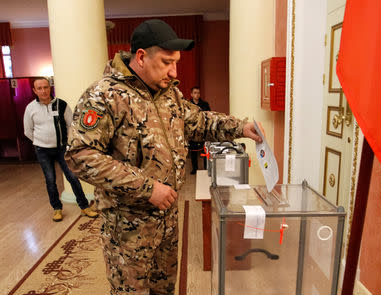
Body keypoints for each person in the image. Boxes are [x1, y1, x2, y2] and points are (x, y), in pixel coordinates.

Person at [65, 19, 263, 295]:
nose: (174, 70)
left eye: (177, 62)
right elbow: (80, 155)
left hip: (167, 216)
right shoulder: (104, 95)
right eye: (167, 62)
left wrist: (240, 127)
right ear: (141, 57)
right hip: (127, 224)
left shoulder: (168, 94)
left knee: (164, 288)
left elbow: (199, 122)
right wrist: (147, 189)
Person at [23, 77, 99, 222]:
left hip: (62, 149)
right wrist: (39, 142)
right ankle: (57, 209)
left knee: (73, 178)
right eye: (39, 88)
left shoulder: (61, 104)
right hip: (43, 151)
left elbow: (71, 125)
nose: (43, 91)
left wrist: (69, 144)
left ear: (50, 87)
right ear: (34, 90)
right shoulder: (30, 108)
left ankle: (84, 206)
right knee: (50, 180)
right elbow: (28, 131)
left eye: (45, 87)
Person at [188, 86, 210, 174]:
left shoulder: (205, 104)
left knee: (205, 150)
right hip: (193, 130)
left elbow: (209, 115)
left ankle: (206, 168)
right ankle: (194, 168)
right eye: (195, 93)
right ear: (191, 94)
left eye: (198, 93)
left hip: (202, 130)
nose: (197, 95)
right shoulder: (188, 104)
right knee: (193, 151)